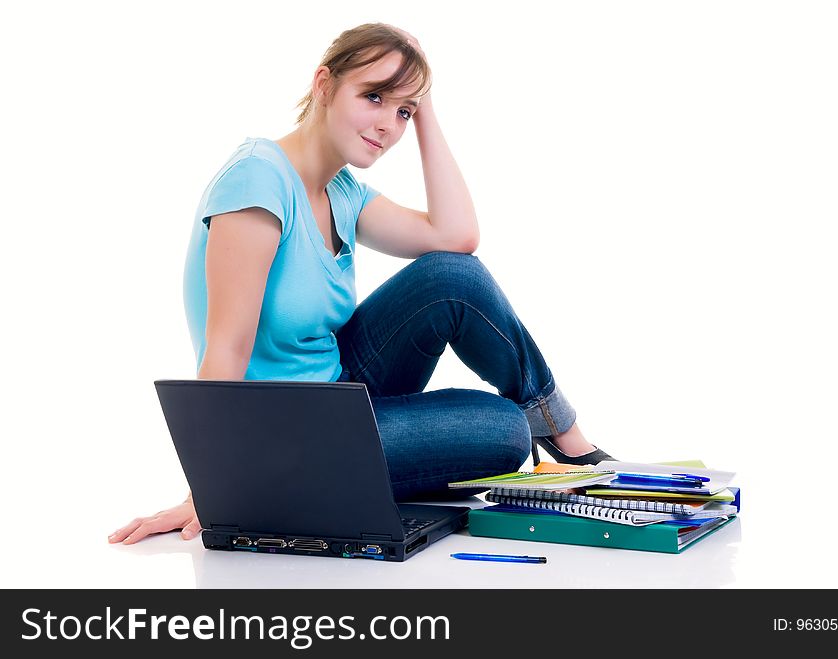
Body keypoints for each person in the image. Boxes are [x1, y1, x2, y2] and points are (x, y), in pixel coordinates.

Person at [109, 23, 614, 546]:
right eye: (373, 97)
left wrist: (424, 106)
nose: (387, 125)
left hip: (343, 391)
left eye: (402, 112)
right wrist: (213, 491)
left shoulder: (342, 190)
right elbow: (226, 349)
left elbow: (456, 237)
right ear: (324, 85)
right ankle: (301, 484)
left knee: (450, 276)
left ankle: (564, 434)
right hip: (287, 437)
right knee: (506, 430)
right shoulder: (257, 180)